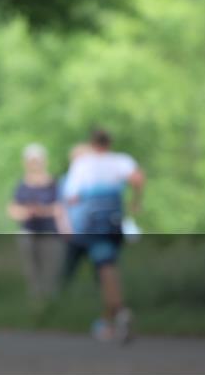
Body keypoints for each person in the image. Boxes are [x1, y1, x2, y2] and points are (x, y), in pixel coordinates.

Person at [60, 129, 145, 343]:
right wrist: (135, 201)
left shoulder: (84, 165)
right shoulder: (120, 160)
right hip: (116, 222)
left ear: (92, 143)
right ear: (110, 143)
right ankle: (108, 319)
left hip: (95, 224)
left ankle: (120, 312)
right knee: (108, 269)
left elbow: (71, 196)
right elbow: (138, 178)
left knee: (106, 270)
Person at [7, 143, 64, 302]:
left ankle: (51, 303)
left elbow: (61, 208)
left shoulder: (54, 183)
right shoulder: (22, 185)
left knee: (51, 271)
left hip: (49, 232)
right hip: (29, 232)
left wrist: (42, 211)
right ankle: (36, 302)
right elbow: (13, 209)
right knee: (31, 271)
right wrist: (27, 212)